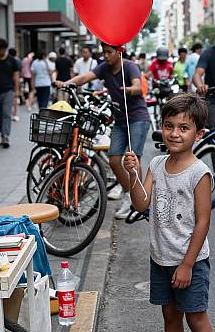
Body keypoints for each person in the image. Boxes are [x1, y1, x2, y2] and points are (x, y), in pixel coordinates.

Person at [123, 93, 215, 332]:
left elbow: (204, 221)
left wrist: (188, 264)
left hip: (189, 261)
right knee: (169, 314)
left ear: (198, 133)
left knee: (196, 318)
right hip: (160, 258)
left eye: (184, 128)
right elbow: (141, 204)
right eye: (169, 126)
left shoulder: (199, 173)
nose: (175, 134)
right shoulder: (155, 164)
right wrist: (133, 174)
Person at [60, 42, 150, 219]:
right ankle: (129, 196)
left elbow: (138, 86)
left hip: (138, 118)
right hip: (120, 120)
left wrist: (131, 90)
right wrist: (66, 83)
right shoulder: (105, 67)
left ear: (119, 52)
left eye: (109, 52)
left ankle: (139, 201)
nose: (106, 56)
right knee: (114, 160)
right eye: (104, 53)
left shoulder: (130, 66)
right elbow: (85, 78)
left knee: (133, 160)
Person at [8, 48, 22, 121]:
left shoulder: (6, 60)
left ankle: (8, 114)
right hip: (16, 80)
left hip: (7, 82)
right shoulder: (18, 61)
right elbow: (19, 71)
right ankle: (15, 114)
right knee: (15, 98)